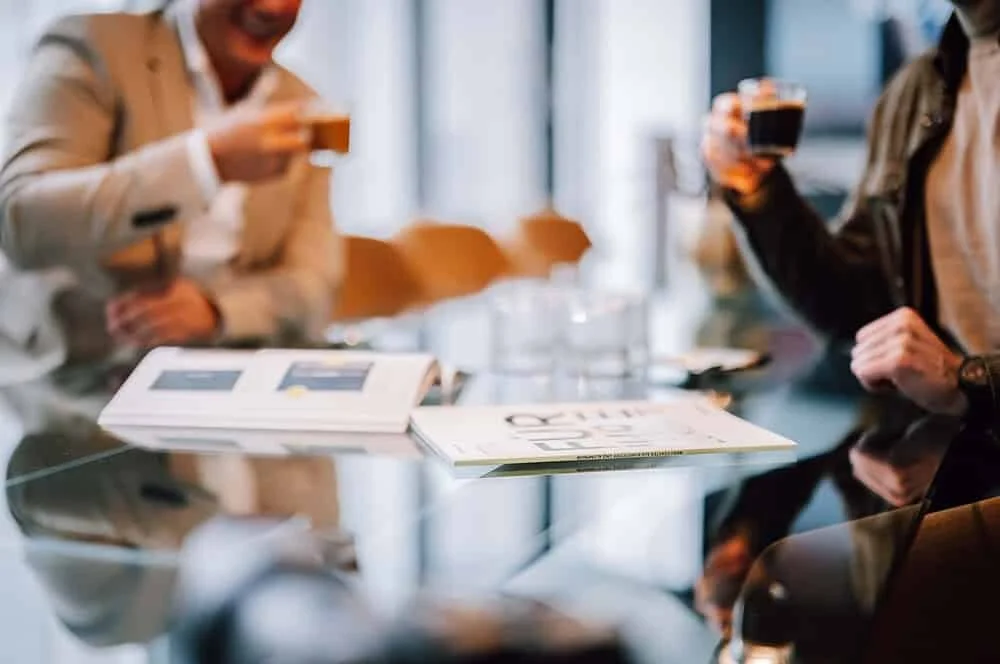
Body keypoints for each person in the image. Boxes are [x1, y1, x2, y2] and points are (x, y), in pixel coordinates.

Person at [0, 0, 342, 377]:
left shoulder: (302, 104)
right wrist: (204, 163)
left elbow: (313, 284)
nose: (272, 6)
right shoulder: (94, 46)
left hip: (212, 376)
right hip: (67, 381)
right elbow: (21, 220)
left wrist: (218, 311)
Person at [702, 0, 1000, 425]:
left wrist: (967, 380)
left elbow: (953, 379)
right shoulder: (914, 92)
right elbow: (856, 307)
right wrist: (756, 187)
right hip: (950, 460)